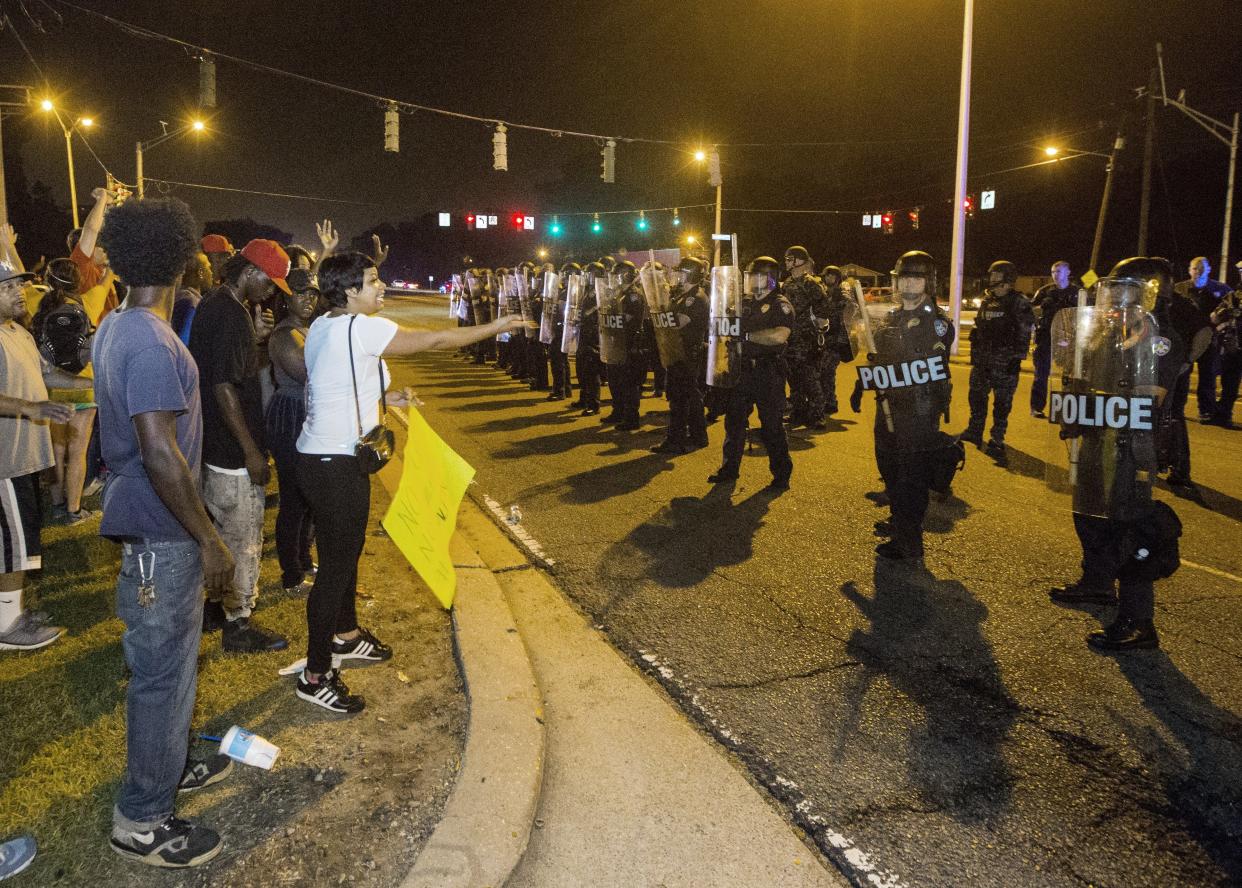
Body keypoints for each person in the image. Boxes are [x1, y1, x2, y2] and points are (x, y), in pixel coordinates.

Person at [295, 251, 524, 713]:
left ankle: (346, 634)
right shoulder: (362, 328)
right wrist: (495, 327)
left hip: (323, 458)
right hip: (333, 464)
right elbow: (437, 340)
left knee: (346, 551)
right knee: (336, 567)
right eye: (373, 280)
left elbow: (333, 383)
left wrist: (390, 397)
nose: (382, 288)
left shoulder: (325, 325)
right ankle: (315, 673)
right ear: (349, 291)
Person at [92, 197, 236, 866]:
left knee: (174, 669)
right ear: (181, 257)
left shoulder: (122, 323)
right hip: (163, 535)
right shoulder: (148, 338)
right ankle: (143, 817)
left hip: (152, 528)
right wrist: (209, 538)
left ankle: (168, 768)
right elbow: (159, 451)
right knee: (160, 673)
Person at [1048, 258, 1186, 651]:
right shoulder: (1104, 336)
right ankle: (1096, 583)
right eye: (1111, 291)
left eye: (1123, 291)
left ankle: (1138, 622)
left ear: (1149, 293)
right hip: (1097, 437)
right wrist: (1074, 401)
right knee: (1089, 513)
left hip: (1132, 445)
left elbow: (1151, 398)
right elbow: (1084, 378)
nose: (1113, 300)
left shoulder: (1161, 340)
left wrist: (1097, 404)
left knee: (1129, 527)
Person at [188, 239, 290, 653]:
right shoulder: (230, 314)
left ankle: (215, 608)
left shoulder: (216, 304)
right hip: (232, 452)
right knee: (244, 536)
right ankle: (239, 623)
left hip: (211, 443)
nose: (271, 292)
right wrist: (250, 451)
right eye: (270, 282)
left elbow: (232, 370)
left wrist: (258, 342)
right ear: (250, 272)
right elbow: (224, 387)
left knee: (220, 532)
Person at [0, 255, 84, 652]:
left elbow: (46, 373)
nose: (19, 292)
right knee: (12, 545)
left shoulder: (19, 332)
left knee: (23, 539)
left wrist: (92, 384)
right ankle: (6, 624)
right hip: (5, 461)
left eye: (19, 285)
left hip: (25, 458)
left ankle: (11, 610)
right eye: (8, 287)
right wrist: (30, 408)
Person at [852, 251, 957, 560]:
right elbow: (880, 358)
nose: (909, 283)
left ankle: (909, 540)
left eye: (917, 277)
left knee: (911, 476)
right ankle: (899, 520)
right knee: (889, 467)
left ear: (928, 282)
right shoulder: (891, 317)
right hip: (888, 406)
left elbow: (924, 364)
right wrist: (864, 382)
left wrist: (887, 366)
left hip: (918, 410)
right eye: (904, 277)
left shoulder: (937, 323)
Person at [708, 256, 794, 490]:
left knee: (771, 426)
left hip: (768, 372)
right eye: (749, 276)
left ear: (771, 280)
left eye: (757, 276)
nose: (752, 280)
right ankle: (729, 468)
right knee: (734, 422)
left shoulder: (780, 304)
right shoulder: (743, 302)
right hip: (742, 371)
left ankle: (781, 474)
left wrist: (746, 337)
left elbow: (779, 335)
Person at [30, 257, 98, 525]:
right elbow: (106, 283)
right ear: (79, 280)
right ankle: (74, 510)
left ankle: (58, 504)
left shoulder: (36, 301)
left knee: (56, 450)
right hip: (83, 387)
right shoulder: (88, 300)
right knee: (78, 451)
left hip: (51, 387)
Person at [266, 268, 320, 595]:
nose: (308, 300)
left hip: (307, 414)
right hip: (290, 415)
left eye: (312, 294)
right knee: (294, 500)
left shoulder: (307, 328)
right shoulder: (284, 335)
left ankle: (304, 558)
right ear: (287, 297)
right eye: (301, 294)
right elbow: (308, 374)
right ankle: (291, 574)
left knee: (310, 497)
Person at [960, 259, 1034, 461]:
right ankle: (974, 431)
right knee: (976, 397)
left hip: (1005, 362)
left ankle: (996, 439)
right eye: (991, 274)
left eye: (996, 275)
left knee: (1002, 404)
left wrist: (1016, 359)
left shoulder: (1019, 303)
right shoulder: (987, 300)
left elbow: (1025, 334)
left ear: (1007, 279)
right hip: (983, 361)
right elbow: (980, 326)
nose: (991, 278)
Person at [650, 256, 709, 453]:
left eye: (680, 273)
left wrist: (660, 315)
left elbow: (678, 322)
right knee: (689, 396)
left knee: (680, 399)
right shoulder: (683, 295)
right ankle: (699, 436)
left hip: (687, 354)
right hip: (679, 351)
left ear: (690, 275)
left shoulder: (696, 298)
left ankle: (676, 440)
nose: (676, 276)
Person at [1175, 256, 1233, 420]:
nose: (1198, 272)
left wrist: (1221, 325)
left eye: (1202, 268)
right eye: (1195, 268)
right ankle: (1177, 408)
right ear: (1189, 270)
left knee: (1208, 376)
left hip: (1210, 339)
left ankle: (1206, 410)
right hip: (1186, 340)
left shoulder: (1221, 290)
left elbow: (1232, 310)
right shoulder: (1179, 289)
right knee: (1182, 375)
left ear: (1209, 270)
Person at [781, 246, 830, 430]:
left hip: (806, 339)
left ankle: (818, 415)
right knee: (793, 378)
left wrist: (817, 332)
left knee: (810, 378)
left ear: (799, 261)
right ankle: (798, 412)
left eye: (789, 259)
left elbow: (823, 310)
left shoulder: (811, 284)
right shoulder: (787, 284)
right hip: (790, 338)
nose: (786, 262)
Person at [1029, 261, 1081, 418]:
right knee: (1041, 374)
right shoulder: (1045, 292)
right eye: (1053, 271)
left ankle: (1068, 408)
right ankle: (1036, 407)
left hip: (1068, 338)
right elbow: (1031, 311)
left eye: (1059, 271)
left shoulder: (1077, 292)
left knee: (1070, 375)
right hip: (1045, 337)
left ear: (1068, 272)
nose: (1055, 274)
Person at [69, 187, 120, 322]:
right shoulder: (80, 267)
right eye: (100, 247)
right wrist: (101, 198)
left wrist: (107, 206)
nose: (105, 250)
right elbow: (91, 230)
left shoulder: (101, 269)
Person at [604, 260, 645, 430]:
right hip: (616, 342)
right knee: (615, 380)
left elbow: (627, 319)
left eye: (617, 275)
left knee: (629, 382)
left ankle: (631, 418)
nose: (614, 279)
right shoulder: (617, 293)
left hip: (630, 342)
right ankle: (618, 411)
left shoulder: (633, 295)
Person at [817, 264, 853, 415]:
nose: (829, 278)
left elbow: (852, 309)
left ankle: (831, 402)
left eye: (833, 275)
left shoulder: (841, 295)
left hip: (836, 340)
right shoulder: (823, 293)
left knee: (827, 371)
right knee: (821, 371)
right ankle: (825, 400)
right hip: (823, 338)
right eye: (827, 275)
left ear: (838, 279)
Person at [1210, 290, 1242, 428]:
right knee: (1230, 385)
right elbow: (1214, 317)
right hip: (1233, 347)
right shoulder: (1232, 297)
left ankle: (1221, 414)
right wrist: (1224, 313)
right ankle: (1222, 415)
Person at [576, 261, 604, 416]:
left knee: (591, 370)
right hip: (583, 332)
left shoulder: (602, 290)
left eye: (590, 274)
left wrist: (589, 313)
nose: (588, 277)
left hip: (593, 334)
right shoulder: (586, 290)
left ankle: (594, 404)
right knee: (581, 369)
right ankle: (584, 398)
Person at [548, 263, 578, 401]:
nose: (564, 278)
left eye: (567, 275)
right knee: (561, 360)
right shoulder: (566, 290)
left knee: (558, 360)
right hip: (562, 328)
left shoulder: (572, 291)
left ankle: (560, 390)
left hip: (564, 328)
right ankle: (565, 389)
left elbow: (563, 311)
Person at [172, 252, 213, 346]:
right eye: (209, 268)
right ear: (201, 272)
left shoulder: (179, 298)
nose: (212, 272)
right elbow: (185, 342)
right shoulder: (191, 304)